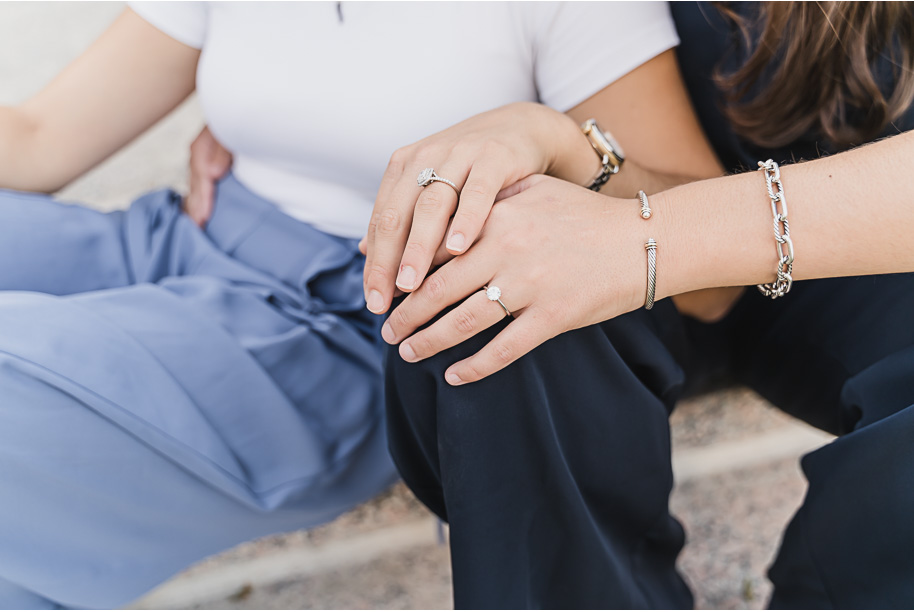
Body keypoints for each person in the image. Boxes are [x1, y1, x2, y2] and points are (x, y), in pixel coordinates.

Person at [0, 2, 712, 608]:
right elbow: (38, 138)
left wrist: (563, 143)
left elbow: (715, 283)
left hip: (335, 326)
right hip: (181, 235)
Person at [372, 1, 914, 608]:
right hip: (645, 194)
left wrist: (646, 237)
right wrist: (563, 143)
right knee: (494, 283)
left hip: (880, 248)